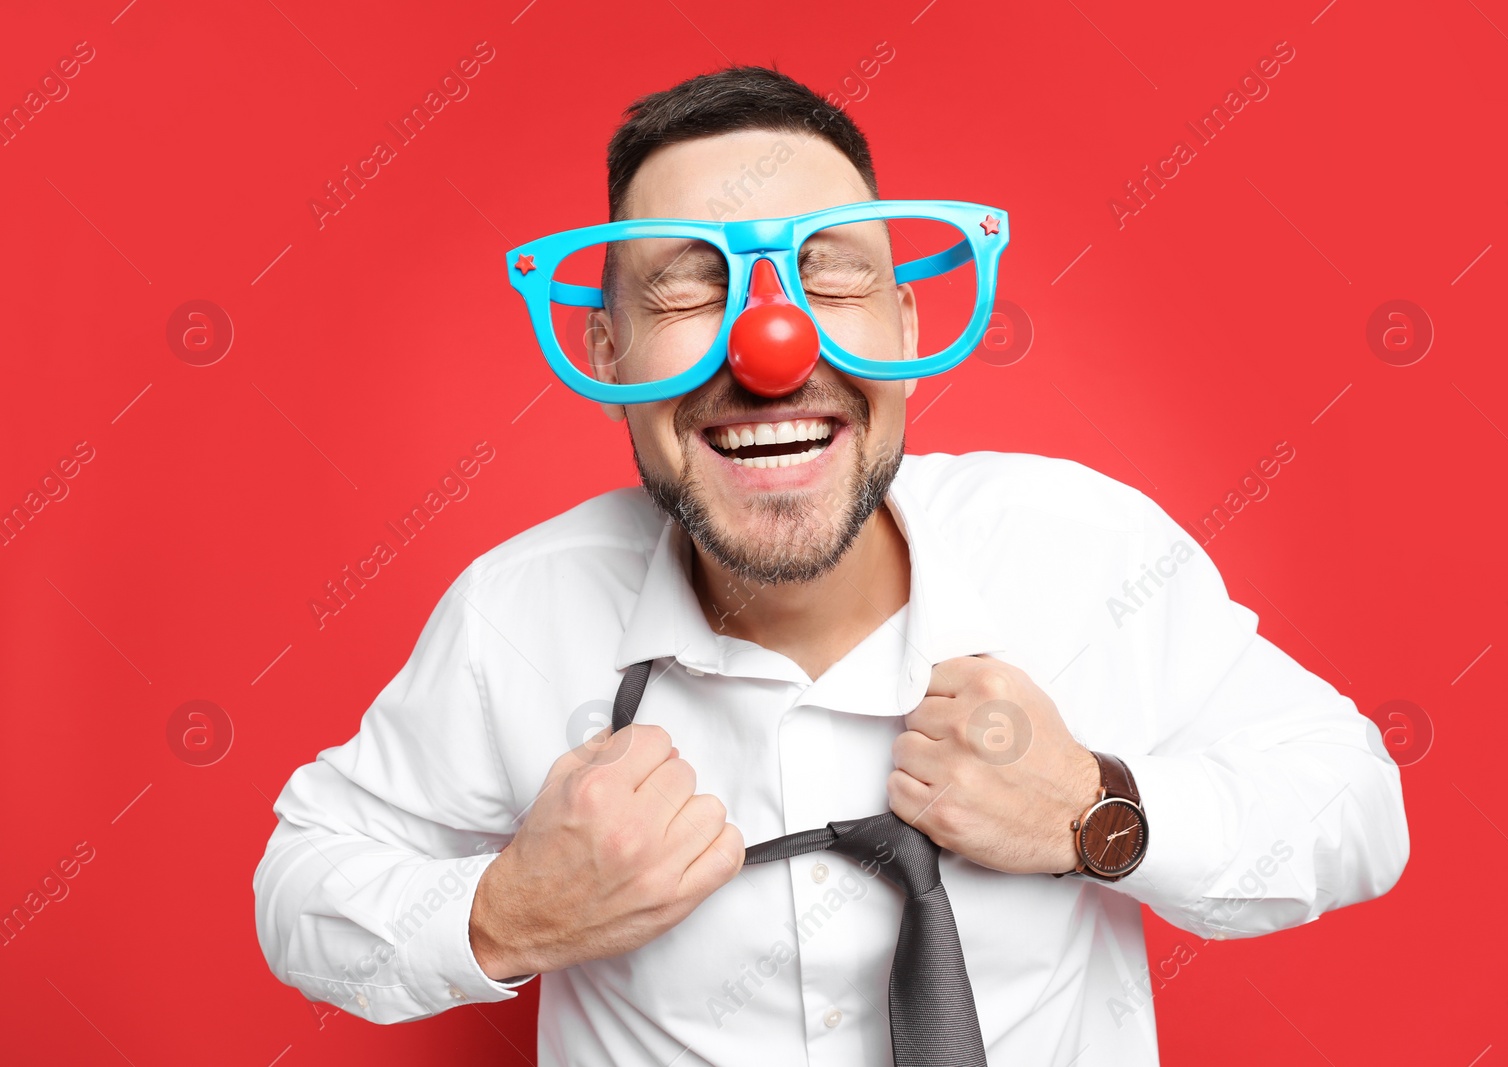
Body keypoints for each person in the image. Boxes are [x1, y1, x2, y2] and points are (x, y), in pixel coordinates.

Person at [253, 65, 1409, 1066]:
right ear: (605, 348)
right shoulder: (519, 615)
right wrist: (503, 914)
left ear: (904, 327)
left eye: (834, 277)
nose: (771, 346)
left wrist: (1099, 811)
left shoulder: (1086, 550)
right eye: (684, 285)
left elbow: (1356, 807)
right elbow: (298, 886)